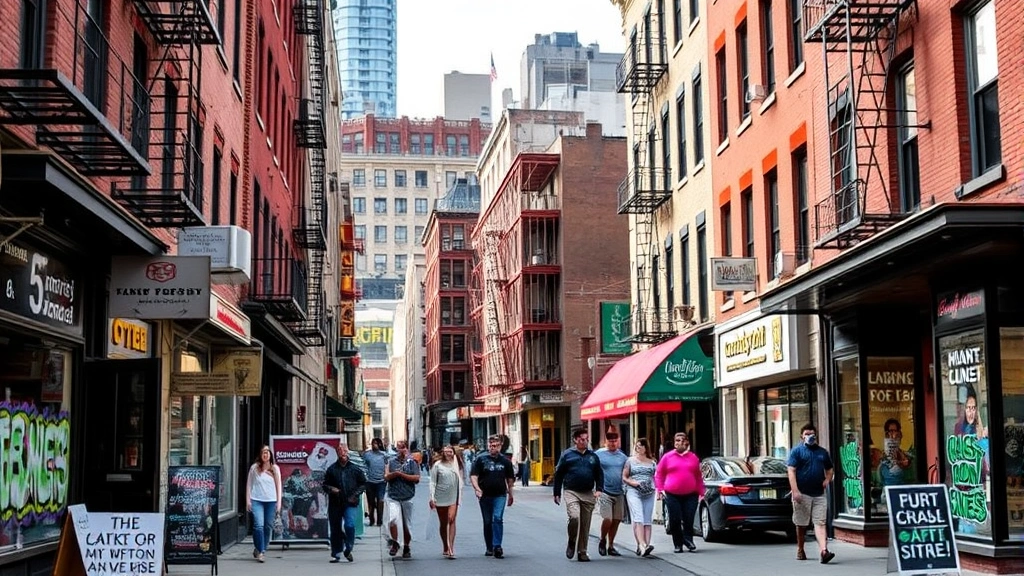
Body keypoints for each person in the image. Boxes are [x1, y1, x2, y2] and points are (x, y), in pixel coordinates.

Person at [787, 423, 836, 564]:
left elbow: (830, 469)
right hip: (802, 493)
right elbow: (791, 470)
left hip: (819, 494)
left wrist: (827, 479)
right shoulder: (797, 452)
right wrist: (795, 490)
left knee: (820, 522)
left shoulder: (822, 452)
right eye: (807, 434)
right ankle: (800, 549)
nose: (810, 436)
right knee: (801, 524)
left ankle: (824, 551)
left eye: (812, 433)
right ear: (802, 436)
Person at [552, 428, 603, 562]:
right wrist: (556, 492)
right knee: (574, 517)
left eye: (586, 439)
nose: (585, 442)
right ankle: (572, 540)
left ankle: (582, 551)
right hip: (571, 491)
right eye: (582, 439)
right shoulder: (567, 455)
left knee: (585, 524)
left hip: (588, 493)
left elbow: (599, 474)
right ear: (575, 440)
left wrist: (599, 489)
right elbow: (559, 474)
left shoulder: (593, 456)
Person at [654, 432, 703, 553]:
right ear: (674, 443)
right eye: (677, 441)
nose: (680, 443)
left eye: (683, 440)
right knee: (674, 519)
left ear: (687, 442)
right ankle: (678, 544)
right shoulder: (667, 457)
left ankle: (688, 540)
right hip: (672, 493)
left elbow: (698, 476)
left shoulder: (693, 458)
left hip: (691, 494)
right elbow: (659, 474)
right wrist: (660, 489)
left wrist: (702, 492)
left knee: (689, 518)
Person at [470, 434, 515, 559]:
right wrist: (477, 489)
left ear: (500, 446)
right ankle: (489, 547)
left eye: (495, 445)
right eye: (490, 445)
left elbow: (510, 479)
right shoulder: (481, 459)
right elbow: (474, 476)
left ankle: (497, 546)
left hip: (500, 495)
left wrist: (510, 494)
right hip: (485, 495)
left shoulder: (505, 461)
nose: (492, 448)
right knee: (487, 521)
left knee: (497, 518)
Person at [323, 444, 366, 563]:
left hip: (350, 502)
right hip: (335, 502)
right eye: (340, 451)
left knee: (349, 524)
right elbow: (325, 485)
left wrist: (355, 494)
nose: (342, 453)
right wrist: (332, 489)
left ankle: (349, 546)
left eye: (344, 450)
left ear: (347, 452)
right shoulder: (332, 469)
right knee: (335, 528)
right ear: (337, 453)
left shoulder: (354, 469)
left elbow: (363, 483)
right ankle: (336, 553)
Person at [384, 440, 421, 559]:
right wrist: (395, 474)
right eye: (399, 448)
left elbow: (416, 478)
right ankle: (395, 543)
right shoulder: (391, 461)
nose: (401, 450)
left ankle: (406, 546)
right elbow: (386, 477)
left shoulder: (412, 462)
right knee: (392, 520)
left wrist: (402, 475)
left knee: (406, 525)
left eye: (403, 447)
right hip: (393, 495)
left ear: (407, 449)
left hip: (407, 495)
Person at [246, 445, 282, 563]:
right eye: (263, 452)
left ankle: (261, 548)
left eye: (268, 452)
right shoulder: (254, 468)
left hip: (271, 501)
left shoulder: (275, 469)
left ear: (270, 454)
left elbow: (278, 486)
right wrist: (248, 501)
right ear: (260, 455)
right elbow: (249, 484)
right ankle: (260, 550)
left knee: (268, 526)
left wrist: (279, 503)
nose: (266, 454)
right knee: (258, 525)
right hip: (257, 499)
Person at [623, 437, 657, 556]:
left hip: (649, 492)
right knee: (638, 517)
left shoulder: (652, 462)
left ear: (645, 448)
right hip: (634, 491)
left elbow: (656, 477)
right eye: (636, 446)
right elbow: (624, 477)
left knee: (647, 519)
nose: (638, 448)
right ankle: (641, 544)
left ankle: (646, 545)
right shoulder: (630, 461)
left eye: (640, 446)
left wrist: (657, 488)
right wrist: (633, 483)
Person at [596, 431, 628, 557]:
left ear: (618, 441)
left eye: (615, 441)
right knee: (607, 518)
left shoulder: (623, 456)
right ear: (606, 442)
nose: (613, 444)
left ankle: (611, 545)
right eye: (610, 441)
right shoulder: (599, 454)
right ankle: (602, 539)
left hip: (619, 491)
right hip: (605, 491)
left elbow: (629, 470)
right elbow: (592, 468)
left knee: (616, 520)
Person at [430, 445, 464, 558]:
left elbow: (461, 478)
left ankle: (451, 548)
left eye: (450, 452)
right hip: (440, 496)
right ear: (442, 453)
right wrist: (432, 497)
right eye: (445, 452)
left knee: (452, 519)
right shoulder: (437, 465)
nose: (448, 454)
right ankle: (445, 545)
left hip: (453, 496)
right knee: (443, 523)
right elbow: (433, 482)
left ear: (453, 453)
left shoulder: (456, 464)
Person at [362, 438, 389, 526]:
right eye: (373, 443)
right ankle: (371, 519)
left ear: (380, 444)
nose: (375, 445)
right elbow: (363, 465)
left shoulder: (384, 455)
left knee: (380, 500)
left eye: (377, 443)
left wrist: (386, 475)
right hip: (370, 481)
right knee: (371, 501)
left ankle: (380, 520)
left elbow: (387, 465)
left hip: (381, 481)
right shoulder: (367, 454)